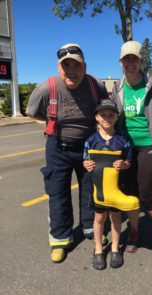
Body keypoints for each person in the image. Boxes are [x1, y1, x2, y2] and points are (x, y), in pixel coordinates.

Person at [26, 43, 108, 263]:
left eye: (76, 65)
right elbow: (31, 111)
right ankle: (60, 239)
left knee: (90, 189)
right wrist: (52, 121)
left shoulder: (95, 85)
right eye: (66, 65)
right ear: (58, 67)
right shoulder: (47, 88)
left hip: (88, 147)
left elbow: (106, 108)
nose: (71, 70)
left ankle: (91, 228)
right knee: (58, 192)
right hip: (57, 147)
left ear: (85, 66)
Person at [111, 40, 152, 255]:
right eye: (126, 59)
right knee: (129, 194)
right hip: (127, 148)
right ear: (121, 62)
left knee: (145, 194)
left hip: (150, 145)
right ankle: (134, 232)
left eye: (134, 58)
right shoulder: (117, 88)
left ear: (140, 61)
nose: (130, 62)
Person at [83, 99, 136, 270]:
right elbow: (85, 160)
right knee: (99, 218)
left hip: (117, 188)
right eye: (103, 115)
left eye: (111, 115)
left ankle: (114, 248)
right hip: (98, 190)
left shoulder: (122, 140)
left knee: (115, 218)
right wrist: (86, 164)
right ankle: (98, 249)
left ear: (117, 117)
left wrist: (124, 165)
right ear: (96, 117)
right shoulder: (91, 140)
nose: (107, 118)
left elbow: (129, 161)